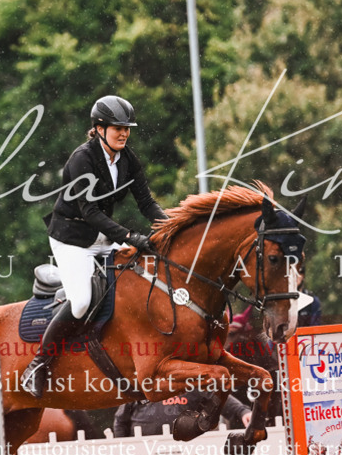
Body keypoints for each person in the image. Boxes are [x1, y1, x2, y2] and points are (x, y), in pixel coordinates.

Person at [21, 95, 167, 398]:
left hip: (102, 236)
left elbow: (147, 202)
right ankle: (38, 364)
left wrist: (170, 227)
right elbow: (90, 212)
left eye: (127, 128)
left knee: (137, 281)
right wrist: (130, 237)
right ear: (99, 128)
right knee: (83, 301)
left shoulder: (127, 158)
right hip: (71, 239)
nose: (124, 133)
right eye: (117, 127)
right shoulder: (82, 159)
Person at [112, 392, 252, 437]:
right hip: (144, 454)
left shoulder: (189, 381)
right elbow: (120, 420)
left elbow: (217, 397)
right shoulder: (140, 385)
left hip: (187, 452)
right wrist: (123, 446)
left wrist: (243, 412)